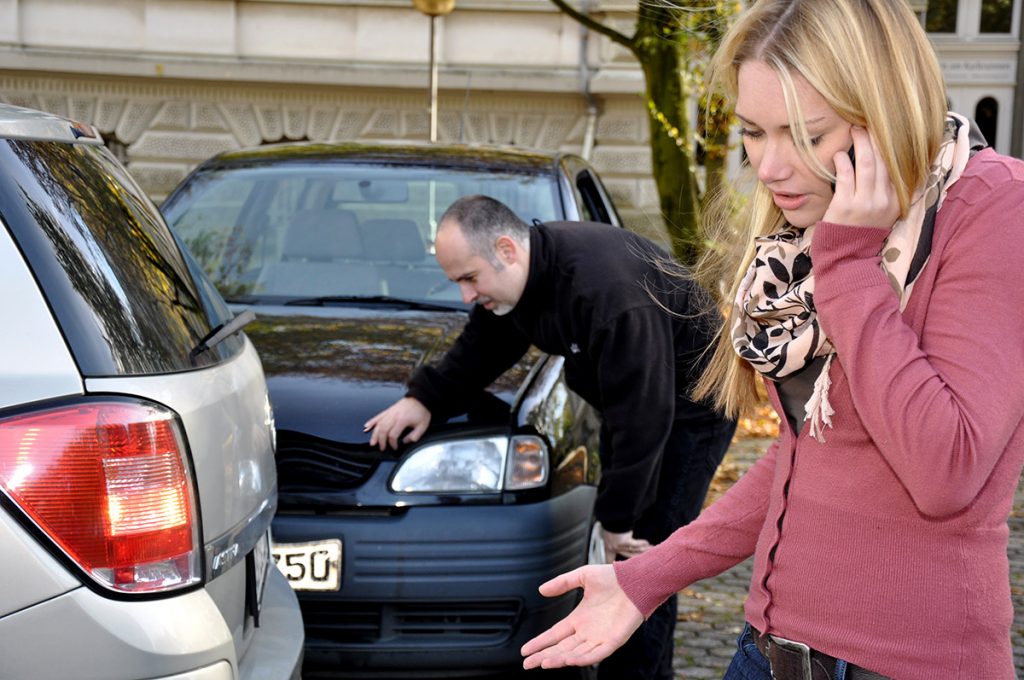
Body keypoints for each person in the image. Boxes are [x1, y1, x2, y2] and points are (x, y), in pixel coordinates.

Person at [519, 1, 1024, 679]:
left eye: (807, 134)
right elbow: (804, 459)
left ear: (885, 109)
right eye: (754, 132)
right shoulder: (806, 234)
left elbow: (947, 471)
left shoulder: (994, 209)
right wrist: (648, 576)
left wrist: (847, 265)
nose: (771, 166)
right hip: (763, 653)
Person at [364, 194, 737, 679]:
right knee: (619, 556)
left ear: (506, 249)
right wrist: (424, 399)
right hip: (637, 401)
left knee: (644, 564)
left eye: (469, 278)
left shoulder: (606, 293)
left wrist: (619, 518)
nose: (466, 296)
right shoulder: (526, 277)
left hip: (693, 410)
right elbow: (482, 346)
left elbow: (644, 417)